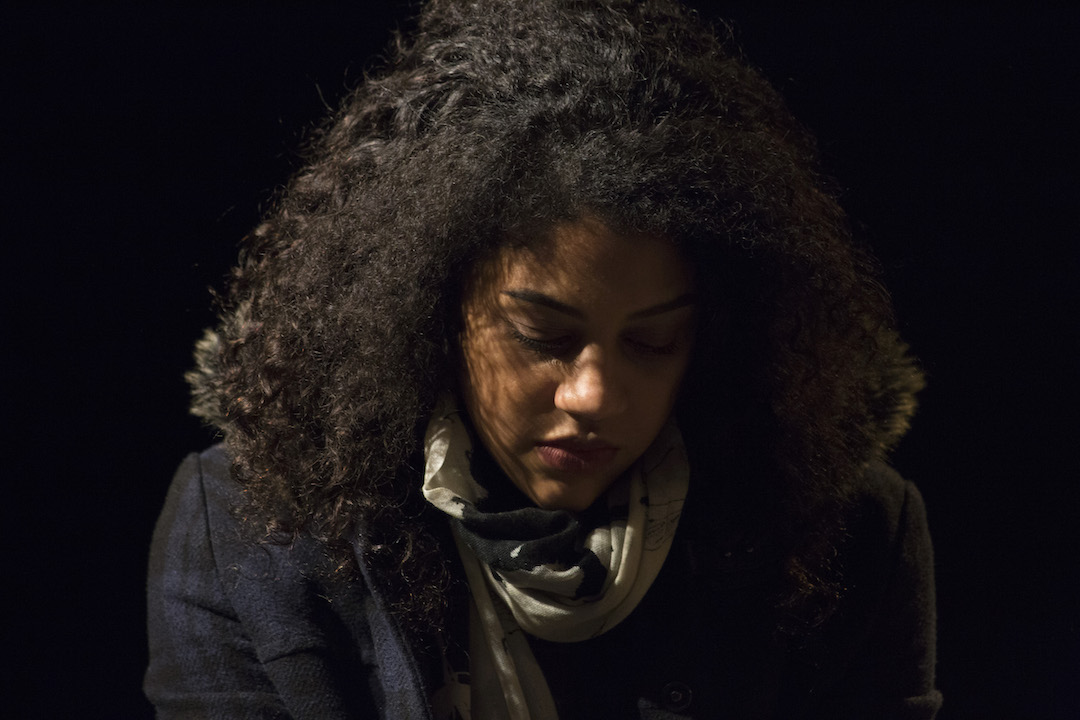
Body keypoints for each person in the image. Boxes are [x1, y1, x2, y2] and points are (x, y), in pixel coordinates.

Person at [144, 0, 941, 718]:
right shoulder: (250, 528)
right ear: (432, 312)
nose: (593, 394)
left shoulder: (849, 537)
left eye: (654, 342)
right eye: (543, 339)